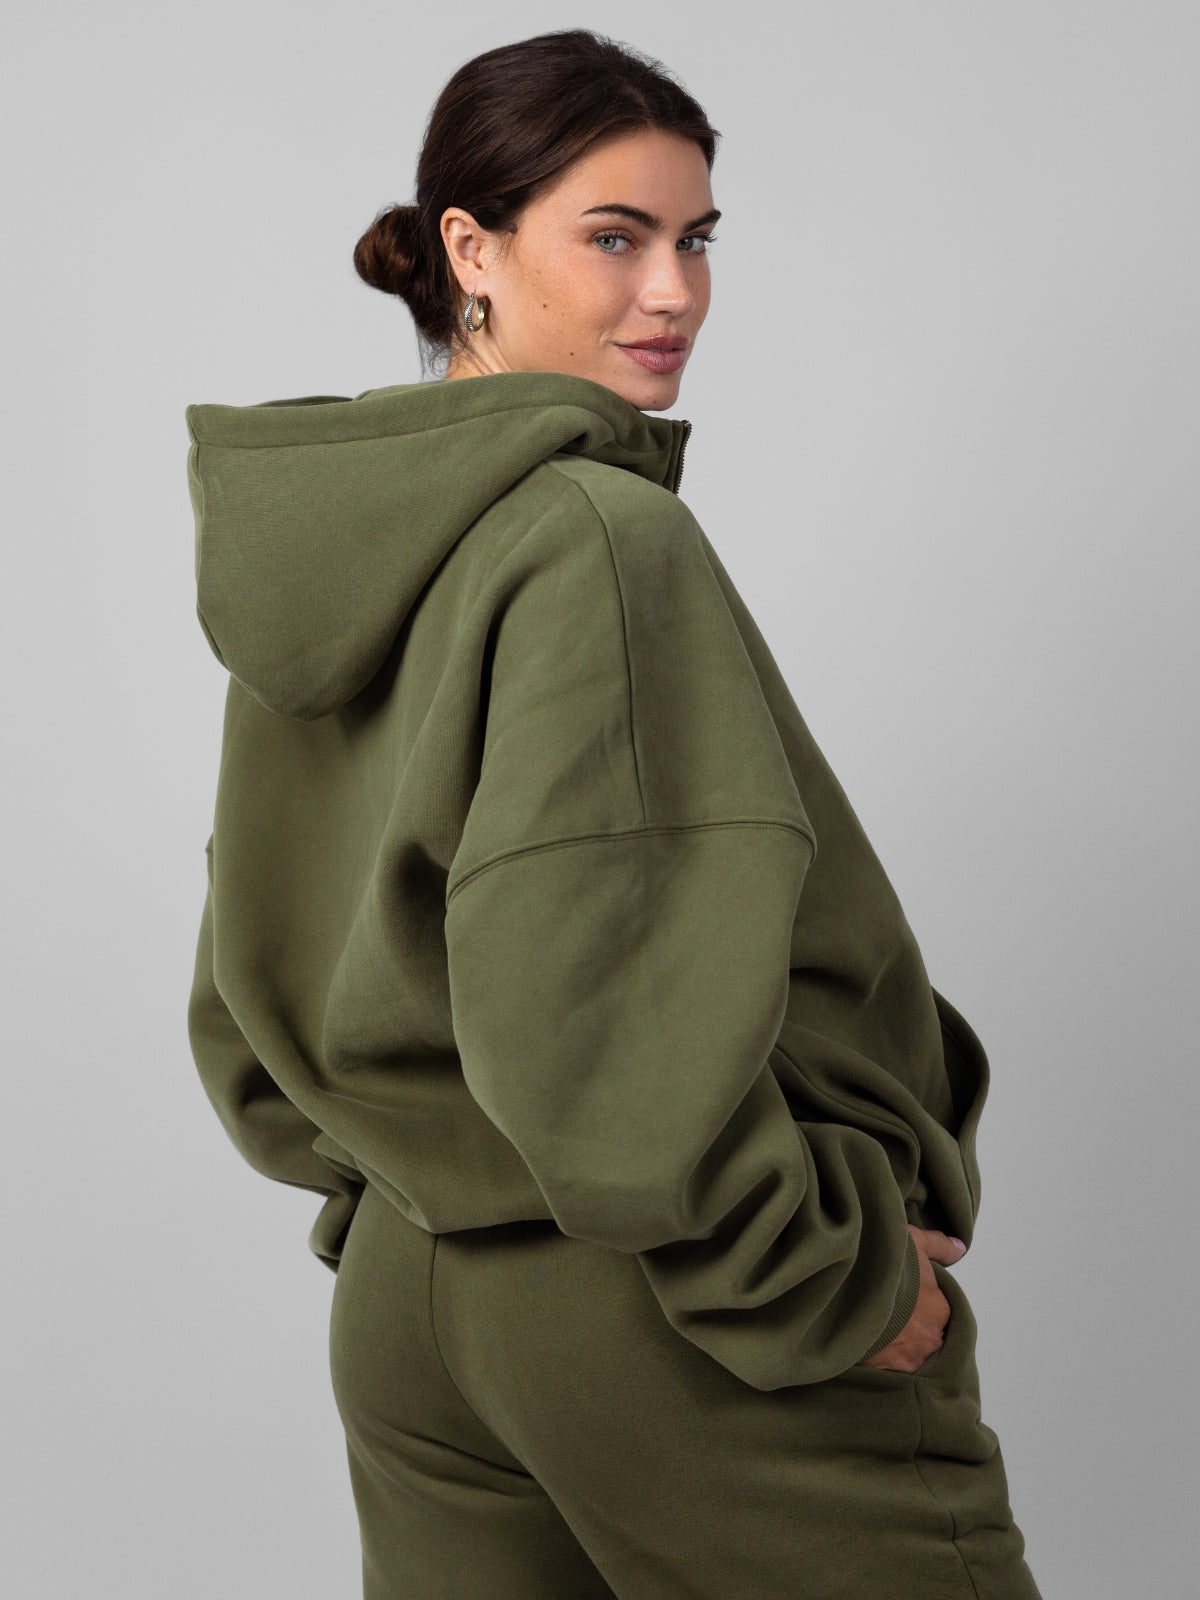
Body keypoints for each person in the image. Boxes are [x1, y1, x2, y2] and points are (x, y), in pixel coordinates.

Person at [185, 27, 1042, 1600]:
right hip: (676, 1314)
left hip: (413, 1306)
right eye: (615, 237)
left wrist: (411, 1197)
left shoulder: (335, 552)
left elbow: (246, 980)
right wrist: (814, 1273)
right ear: (471, 250)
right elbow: (588, 1019)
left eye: (695, 239)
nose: (675, 293)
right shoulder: (596, 533)